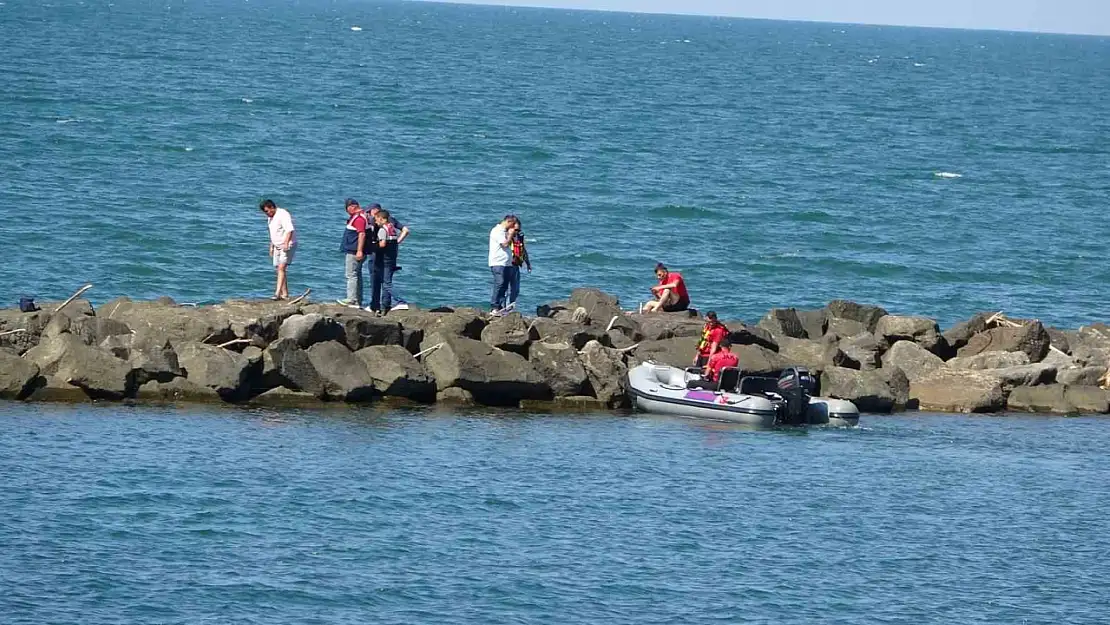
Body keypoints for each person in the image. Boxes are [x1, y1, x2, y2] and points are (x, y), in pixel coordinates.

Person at [366, 203, 411, 313]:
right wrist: (397, 243)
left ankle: (399, 301)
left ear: (380, 217)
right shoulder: (391, 226)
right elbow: (405, 230)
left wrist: (370, 247)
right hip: (392, 255)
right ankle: (385, 305)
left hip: (382, 257)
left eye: (370, 213)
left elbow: (382, 244)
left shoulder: (382, 229)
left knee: (382, 282)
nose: (372, 218)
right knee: (387, 280)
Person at [259, 199, 295, 300]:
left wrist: (286, 243)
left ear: (272, 207)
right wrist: (271, 246)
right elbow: (273, 232)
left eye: (267, 211)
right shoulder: (270, 217)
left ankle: (277, 293)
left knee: (281, 268)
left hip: (287, 245)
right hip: (277, 245)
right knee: (278, 269)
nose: (266, 214)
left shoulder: (283, 214)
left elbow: (290, 230)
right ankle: (285, 293)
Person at [336, 198, 369, 308]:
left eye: (347, 209)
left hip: (354, 251)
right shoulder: (363, 216)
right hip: (356, 250)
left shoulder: (359, 219)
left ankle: (352, 299)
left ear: (352, 207)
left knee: (351, 275)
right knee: (357, 275)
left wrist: (359, 250)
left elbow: (362, 234)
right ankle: (357, 300)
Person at [488, 214, 518, 315]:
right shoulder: (497, 231)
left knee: (504, 285)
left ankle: (500, 306)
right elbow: (504, 244)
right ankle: (494, 306)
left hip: (507, 263)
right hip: (498, 262)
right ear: (508, 222)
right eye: (512, 224)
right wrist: (510, 235)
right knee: (499, 283)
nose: (513, 227)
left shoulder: (505, 232)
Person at [506, 216, 532, 312]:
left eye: (518, 230)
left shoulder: (520, 237)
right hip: (507, 264)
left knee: (515, 289)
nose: (516, 232)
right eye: (515, 230)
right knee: (505, 288)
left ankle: (510, 308)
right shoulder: (506, 236)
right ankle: (503, 307)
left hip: (516, 265)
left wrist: (528, 264)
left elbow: (523, 250)